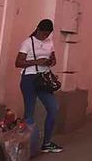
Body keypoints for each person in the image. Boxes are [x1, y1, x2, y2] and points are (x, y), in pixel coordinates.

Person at [15, 19, 62, 153]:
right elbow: (18, 62)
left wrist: (50, 61)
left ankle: (46, 142)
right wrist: (36, 61)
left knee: (54, 108)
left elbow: (54, 58)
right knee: (29, 113)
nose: (45, 36)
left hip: (44, 79)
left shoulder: (49, 42)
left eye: (48, 34)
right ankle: (28, 147)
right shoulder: (28, 43)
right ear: (38, 30)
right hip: (29, 78)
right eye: (43, 34)